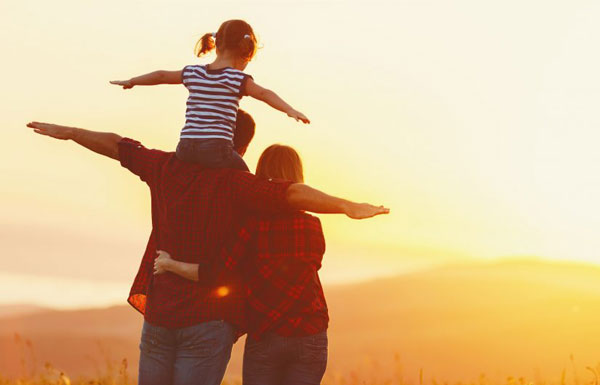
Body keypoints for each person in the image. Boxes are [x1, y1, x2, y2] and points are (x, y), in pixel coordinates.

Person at [26, 119, 388, 385]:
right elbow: (290, 196)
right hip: (259, 327)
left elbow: (119, 146)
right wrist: (346, 206)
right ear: (240, 148)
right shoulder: (261, 199)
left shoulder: (170, 170)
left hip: (181, 316)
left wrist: (73, 133)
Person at [154, 144, 332, 385]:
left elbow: (215, 273)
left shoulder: (250, 226)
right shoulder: (312, 225)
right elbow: (311, 266)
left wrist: (170, 264)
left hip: (266, 332)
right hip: (310, 333)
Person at [110, 19, 309, 170]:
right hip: (216, 149)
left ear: (217, 45)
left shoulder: (193, 72)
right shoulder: (236, 79)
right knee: (245, 176)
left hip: (185, 148)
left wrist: (132, 81)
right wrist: (289, 110)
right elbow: (264, 93)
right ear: (244, 50)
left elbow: (161, 75)